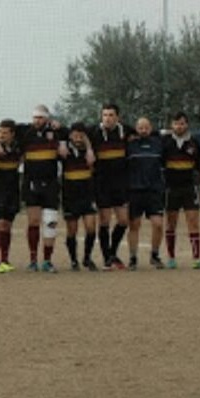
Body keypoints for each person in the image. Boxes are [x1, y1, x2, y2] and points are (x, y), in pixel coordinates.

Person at [17, 105, 66, 273]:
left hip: (51, 183)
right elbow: (4, 130)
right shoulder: (25, 132)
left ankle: (47, 260)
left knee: (50, 222)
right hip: (31, 183)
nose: (37, 121)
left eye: (40, 118)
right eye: (35, 117)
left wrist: (61, 133)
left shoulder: (57, 132)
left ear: (47, 118)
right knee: (33, 221)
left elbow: (73, 133)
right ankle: (32, 260)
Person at [162, 111, 200, 269]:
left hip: (190, 188)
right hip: (170, 189)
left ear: (187, 125)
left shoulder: (194, 143)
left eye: (182, 123)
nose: (179, 126)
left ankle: (196, 259)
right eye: (176, 123)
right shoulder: (165, 142)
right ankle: (171, 259)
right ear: (172, 125)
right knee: (171, 223)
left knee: (193, 222)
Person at [90, 103, 133, 270]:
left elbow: (144, 132)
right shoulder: (94, 132)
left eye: (111, 115)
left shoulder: (125, 131)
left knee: (123, 220)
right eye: (105, 115)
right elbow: (77, 134)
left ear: (117, 117)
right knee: (105, 221)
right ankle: (107, 258)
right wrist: (88, 149)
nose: (107, 118)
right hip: (102, 183)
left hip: (120, 183)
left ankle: (112, 252)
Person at [126, 117, 166, 270]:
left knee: (158, 224)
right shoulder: (130, 145)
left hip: (154, 191)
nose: (143, 130)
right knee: (134, 225)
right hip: (135, 191)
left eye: (146, 127)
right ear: (136, 129)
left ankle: (154, 255)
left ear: (151, 128)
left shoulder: (158, 144)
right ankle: (133, 258)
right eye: (140, 127)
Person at [0, 119, 23, 273]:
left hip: (12, 191)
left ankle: (5, 259)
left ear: (13, 134)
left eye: (5, 133)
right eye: (0, 132)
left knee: (7, 225)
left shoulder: (19, 147)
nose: (2, 135)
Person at [61, 123, 98, 272]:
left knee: (91, 227)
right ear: (70, 136)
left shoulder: (91, 150)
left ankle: (87, 258)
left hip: (87, 194)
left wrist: (89, 148)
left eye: (81, 136)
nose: (78, 139)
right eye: (75, 135)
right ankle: (73, 260)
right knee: (72, 230)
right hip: (70, 195)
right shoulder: (64, 149)